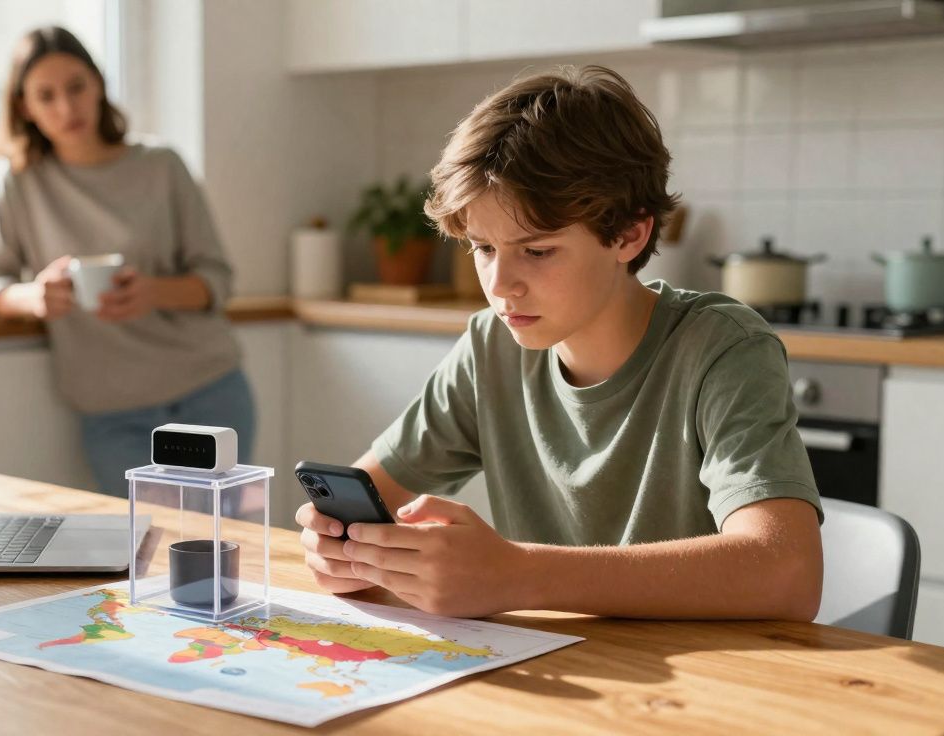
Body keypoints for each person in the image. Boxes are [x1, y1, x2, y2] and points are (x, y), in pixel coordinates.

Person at [296, 65, 824, 621]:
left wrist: (518, 575)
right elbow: (361, 498)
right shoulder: (489, 349)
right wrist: (339, 546)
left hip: (703, 684)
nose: (500, 287)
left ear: (629, 234)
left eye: (537, 251)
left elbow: (786, 572)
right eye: (482, 248)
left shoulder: (722, 348)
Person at [0, 26, 255, 496]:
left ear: (98, 84)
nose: (66, 107)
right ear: (24, 107)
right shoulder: (18, 182)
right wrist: (34, 298)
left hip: (210, 392)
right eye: (46, 95)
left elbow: (217, 278)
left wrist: (153, 292)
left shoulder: (161, 165)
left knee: (223, 552)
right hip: (113, 412)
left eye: (76, 86)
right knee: (149, 553)